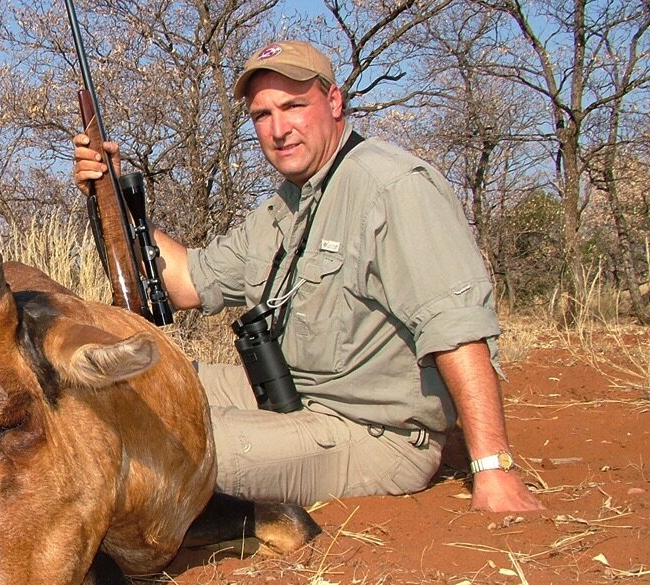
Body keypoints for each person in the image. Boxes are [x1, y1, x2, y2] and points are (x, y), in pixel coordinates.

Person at [72, 40, 544, 513]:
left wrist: (494, 467)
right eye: (262, 115)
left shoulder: (393, 187)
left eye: (293, 106)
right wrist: (111, 198)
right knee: (134, 381)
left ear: (334, 101)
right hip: (287, 392)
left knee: (154, 443)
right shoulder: (287, 205)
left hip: (368, 431)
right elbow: (187, 281)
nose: (278, 129)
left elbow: (458, 330)